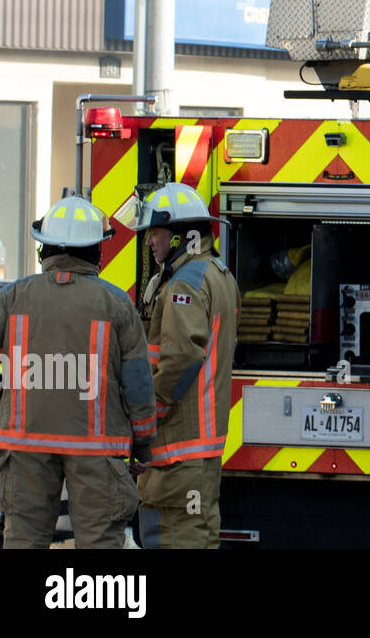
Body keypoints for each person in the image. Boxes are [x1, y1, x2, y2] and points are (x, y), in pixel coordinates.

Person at [0, 195, 155, 548]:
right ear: (96, 252)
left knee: (22, 538)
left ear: (44, 251)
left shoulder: (11, 298)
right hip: (96, 450)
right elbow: (139, 385)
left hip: (23, 446)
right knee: (100, 542)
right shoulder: (116, 304)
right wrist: (143, 447)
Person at [124, 183, 240, 549]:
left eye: (154, 233)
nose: (149, 243)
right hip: (199, 451)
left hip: (176, 448)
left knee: (173, 538)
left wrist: (147, 417)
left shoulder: (184, 284)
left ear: (179, 237)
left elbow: (181, 357)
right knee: (199, 536)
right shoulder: (217, 274)